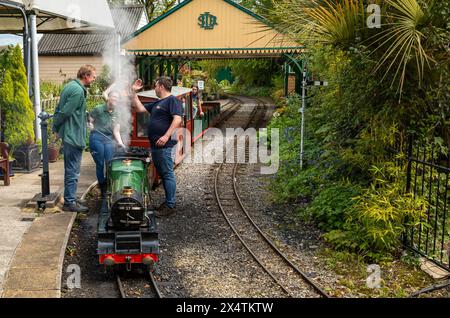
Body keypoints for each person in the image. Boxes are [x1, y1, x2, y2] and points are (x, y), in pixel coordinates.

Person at [131, 77, 183, 217]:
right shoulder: (157, 103)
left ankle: (170, 205)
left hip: (165, 145)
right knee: (164, 174)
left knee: (167, 174)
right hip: (155, 145)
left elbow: (178, 119)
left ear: (160, 86)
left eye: (155, 86)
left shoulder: (172, 100)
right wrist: (134, 92)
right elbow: (139, 109)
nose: (154, 88)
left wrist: (166, 135)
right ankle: (167, 203)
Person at [53, 65, 96, 212]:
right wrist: (56, 128)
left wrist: (85, 115)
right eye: (93, 77)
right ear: (86, 76)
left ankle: (70, 196)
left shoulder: (70, 85)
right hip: (73, 135)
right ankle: (69, 202)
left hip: (70, 133)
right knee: (73, 170)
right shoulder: (78, 91)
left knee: (71, 168)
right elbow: (65, 112)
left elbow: (59, 107)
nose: (94, 80)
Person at [88, 90, 126, 198]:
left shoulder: (117, 113)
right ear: (108, 98)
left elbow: (116, 131)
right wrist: (90, 125)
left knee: (110, 163)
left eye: (117, 98)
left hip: (108, 139)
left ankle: (110, 185)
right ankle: (102, 187)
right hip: (97, 138)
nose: (115, 100)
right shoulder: (98, 109)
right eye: (113, 97)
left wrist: (120, 143)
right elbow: (89, 120)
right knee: (100, 163)